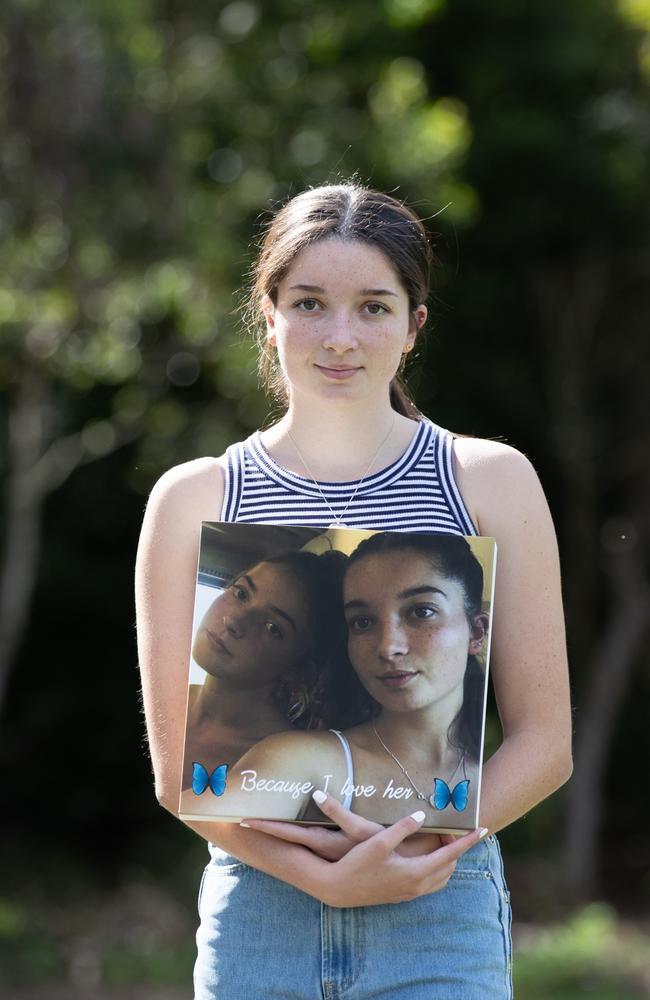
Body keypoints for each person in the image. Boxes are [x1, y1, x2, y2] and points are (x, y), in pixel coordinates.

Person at [136, 182, 572, 999]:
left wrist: (404, 856)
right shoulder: (194, 498)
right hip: (259, 922)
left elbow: (546, 744)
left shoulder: (490, 481)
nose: (340, 337)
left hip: (439, 913)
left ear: (414, 326)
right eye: (310, 303)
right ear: (268, 314)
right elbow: (177, 779)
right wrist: (328, 879)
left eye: (374, 307)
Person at [211, 532, 490, 829]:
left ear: (476, 632)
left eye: (421, 612)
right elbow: (211, 809)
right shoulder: (302, 759)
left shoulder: (509, 763)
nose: (387, 646)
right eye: (363, 622)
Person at [179, 548, 345, 816]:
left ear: (298, 667)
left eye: (272, 627)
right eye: (241, 593)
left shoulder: (286, 766)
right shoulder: (159, 701)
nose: (233, 620)